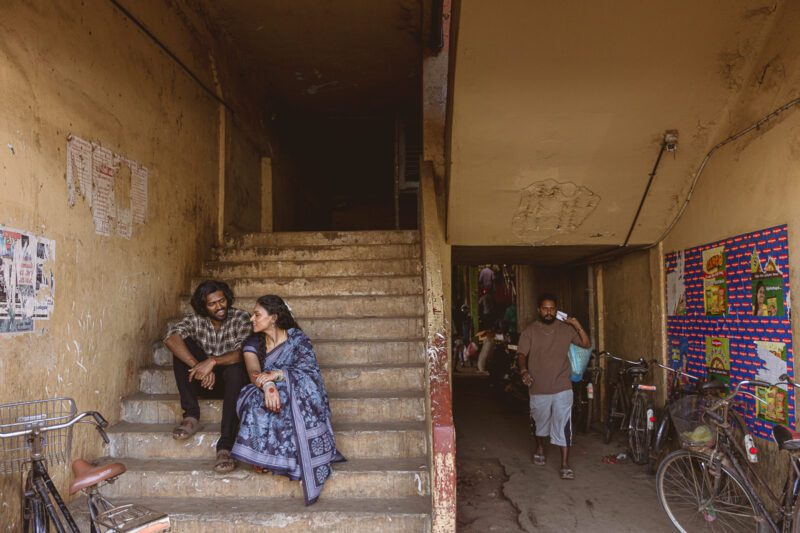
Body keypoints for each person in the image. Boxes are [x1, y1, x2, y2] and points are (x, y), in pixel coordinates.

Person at [231, 295, 345, 505]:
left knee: (290, 398)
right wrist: (268, 385)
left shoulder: (298, 340)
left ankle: (291, 457)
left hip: (293, 388)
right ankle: (262, 455)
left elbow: (310, 372)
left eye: (257, 315)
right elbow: (254, 372)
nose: (251, 319)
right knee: (256, 400)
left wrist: (279, 374)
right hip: (264, 388)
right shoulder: (252, 343)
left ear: (273, 318)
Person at [164, 280, 251, 473]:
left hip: (232, 385)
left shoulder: (241, 318)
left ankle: (225, 446)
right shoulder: (196, 320)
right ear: (203, 306)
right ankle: (191, 415)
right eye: (212, 304)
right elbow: (171, 339)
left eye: (222, 301)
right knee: (181, 348)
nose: (219, 307)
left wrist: (212, 362)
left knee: (236, 368)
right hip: (202, 381)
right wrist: (199, 366)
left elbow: (243, 353)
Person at [516, 293, 590, 481]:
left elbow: (585, 344)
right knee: (539, 421)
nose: (548, 312)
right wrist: (524, 371)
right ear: (538, 310)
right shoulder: (530, 331)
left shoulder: (566, 329)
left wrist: (576, 325)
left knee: (564, 423)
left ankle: (565, 464)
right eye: (545, 308)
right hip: (538, 386)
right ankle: (540, 447)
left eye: (552, 309)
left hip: (562, 385)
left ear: (556, 310)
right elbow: (521, 354)